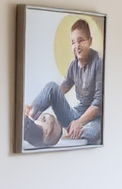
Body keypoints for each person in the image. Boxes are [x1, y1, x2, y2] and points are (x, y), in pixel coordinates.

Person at [24, 18, 103, 147]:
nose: (77, 46)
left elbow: (97, 104)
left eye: (81, 41)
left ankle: (62, 131)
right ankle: (29, 117)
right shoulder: (73, 65)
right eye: (73, 42)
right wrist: (46, 100)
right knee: (52, 87)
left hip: (93, 120)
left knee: (93, 133)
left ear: (90, 41)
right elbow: (62, 88)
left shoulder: (98, 62)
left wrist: (79, 122)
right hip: (76, 115)